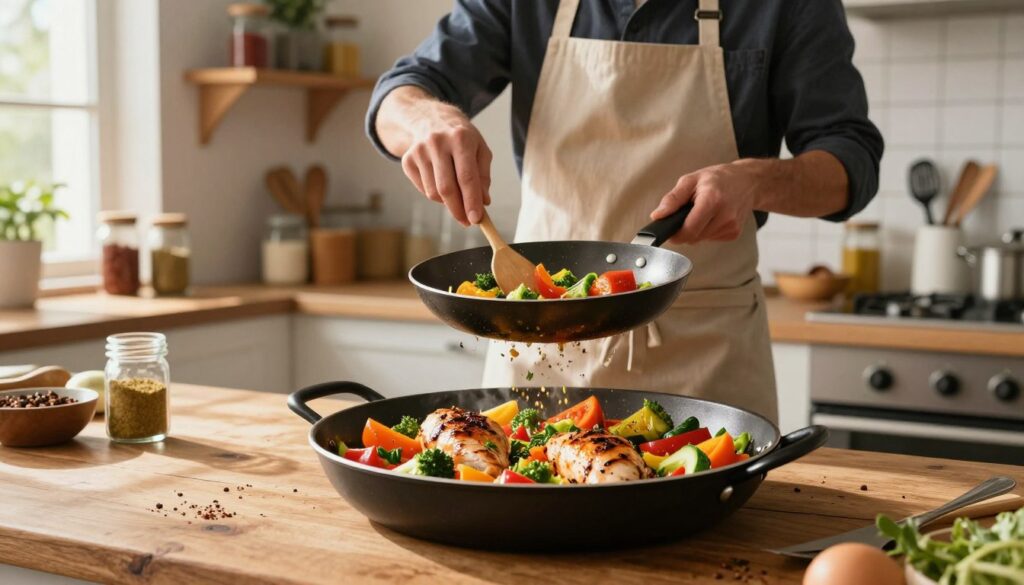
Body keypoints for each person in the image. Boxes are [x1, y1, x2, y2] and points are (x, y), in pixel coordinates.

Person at [366, 0, 883, 422]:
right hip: (538, 345)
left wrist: (755, 180)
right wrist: (428, 119)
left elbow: (850, 161)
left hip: (703, 356)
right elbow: (400, 92)